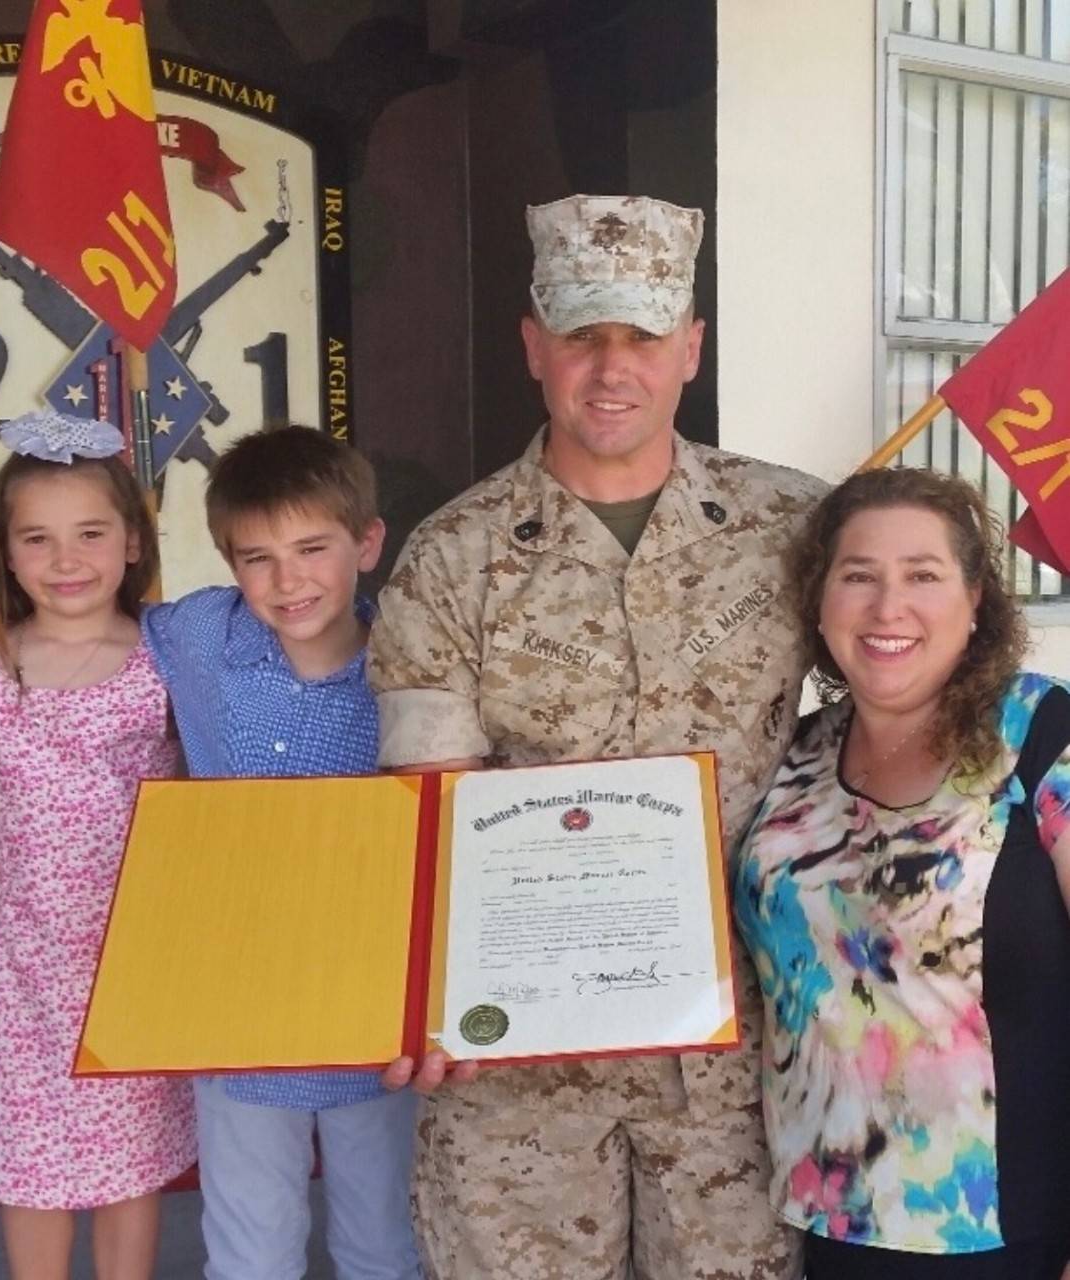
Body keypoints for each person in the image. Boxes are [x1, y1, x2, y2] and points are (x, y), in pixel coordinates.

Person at [368, 193, 828, 1279]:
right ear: (534, 345)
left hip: (740, 1058)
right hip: (516, 1067)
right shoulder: (452, 559)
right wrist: (415, 996)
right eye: (582, 336)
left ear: (691, 347)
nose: (611, 368)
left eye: (642, 336)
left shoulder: (795, 529)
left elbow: (902, 710)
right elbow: (425, 812)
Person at [0, 425, 422, 1280]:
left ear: (367, 544)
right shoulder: (191, 639)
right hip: (230, 1008)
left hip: (367, 1008)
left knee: (382, 1240)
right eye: (256, 557)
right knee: (249, 1247)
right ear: (227, 562)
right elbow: (78, 620)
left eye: (313, 548)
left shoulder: (417, 661)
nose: (288, 578)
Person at [734, 467, 1070, 1280]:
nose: (889, 608)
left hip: (1002, 1229)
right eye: (859, 577)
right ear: (819, 603)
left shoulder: (1042, 732)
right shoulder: (794, 754)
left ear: (976, 599)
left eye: (923, 575)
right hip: (823, 1220)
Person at [0, 410, 197, 1280]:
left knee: (126, 1165)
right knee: (31, 1166)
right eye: (38, 539)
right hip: (20, 959)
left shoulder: (167, 654)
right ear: (6, 551)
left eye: (92, 533)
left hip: (134, 956)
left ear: (133, 542)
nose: (67, 561)